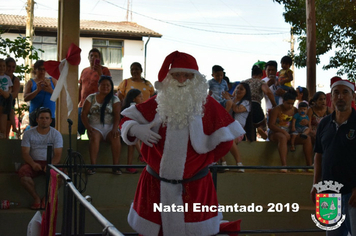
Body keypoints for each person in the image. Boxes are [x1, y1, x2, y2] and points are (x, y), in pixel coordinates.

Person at [120, 51, 244, 236]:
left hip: (195, 186)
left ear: (195, 79)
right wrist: (134, 129)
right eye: (176, 75)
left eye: (187, 75)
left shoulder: (208, 105)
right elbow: (125, 120)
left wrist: (203, 161)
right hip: (155, 185)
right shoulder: (157, 102)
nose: (181, 79)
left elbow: (226, 141)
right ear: (169, 77)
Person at [310, 79, 356, 236]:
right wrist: (316, 184)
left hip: (353, 193)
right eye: (336, 93)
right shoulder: (324, 124)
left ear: (353, 96)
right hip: (328, 194)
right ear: (332, 97)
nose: (340, 96)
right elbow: (319, 155)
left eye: (345, 92)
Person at [18, 107, 63, 210]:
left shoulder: (56, 134)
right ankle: (36, 199)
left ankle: (46, 199)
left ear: (51, 120)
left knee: (60, 176)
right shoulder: (28, 133)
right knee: (23, 174)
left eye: (47, 118)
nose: (44, 120)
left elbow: (58, 155)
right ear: (37, 119)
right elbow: (25, 153)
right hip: (33, 162)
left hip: (51, 162)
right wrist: (33, 164)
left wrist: (50, 165)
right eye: (42, 118)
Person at [81, 76, 121, 175]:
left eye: (108, 85)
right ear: (98, 86)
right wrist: (88, 127)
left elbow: (117, 116)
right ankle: (93, 166)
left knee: (116, 137)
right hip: (94, 127)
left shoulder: (115, 99)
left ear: (111, 87)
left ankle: (116, 167)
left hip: (110, 127)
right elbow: (83, 114)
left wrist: (115, 129)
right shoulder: (91, 98)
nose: (105, 87)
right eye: (103, 85)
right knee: (94, 137)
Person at [268, 91, 312, 172]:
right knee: (282, 137)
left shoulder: (295, 110)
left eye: (292, 103)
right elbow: (271, 125)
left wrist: (304, 123)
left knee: (307, 138)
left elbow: (301, 122)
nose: (290, 106)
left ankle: (309, 166)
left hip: (291, 134)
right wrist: (283, 132)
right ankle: (284, 165)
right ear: (283, 101)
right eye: (288, 103)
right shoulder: (276, 110)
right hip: (276, 133)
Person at [78, 48, 111, 136]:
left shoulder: (105, 70)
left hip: (96, 104)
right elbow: (81, 87)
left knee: (94, 130)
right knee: (79, 126)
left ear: (99, 58)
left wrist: (100, 73)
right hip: (83, 104)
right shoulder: (84, 71)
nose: (93, 58)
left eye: (96, 56)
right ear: (88, 58)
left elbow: (107, 85)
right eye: (91, 56)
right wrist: (77, 101)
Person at [222, 82, 254, 172]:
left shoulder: (247, 102)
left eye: (241, 89)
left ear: (246, 92)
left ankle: (239, 163)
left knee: (230, 138)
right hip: (227, 127)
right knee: (218, 137)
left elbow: (237, 109)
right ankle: (223, 163)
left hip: (237, 130)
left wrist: (229, 100)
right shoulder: (230, 100)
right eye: (237, 88)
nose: (238, 90)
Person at [243, 65, 276, 140]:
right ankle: (261, 128)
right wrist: (274, 104)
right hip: (255, 104)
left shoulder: (244, 82)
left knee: (248, 127)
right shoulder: (260, 82)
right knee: (262, 123)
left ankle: (248, 140)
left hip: (243, 106)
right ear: (261, 75)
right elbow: (268, 92)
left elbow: (235, 94)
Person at [24, 60, 57, 127]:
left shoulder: (52, 80)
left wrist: (50, 90)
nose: (42, 71)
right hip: (35, 115)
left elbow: (60, 96)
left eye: (44, 69)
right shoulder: (31, 82)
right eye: (39, 69)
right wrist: (37, 91)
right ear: (35, 70)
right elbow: (25, 98)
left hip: (50, 115)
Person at [121, 88, 144, 173]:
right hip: (125, 131)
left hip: (132, 133)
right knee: (133, 134)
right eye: (140, 97)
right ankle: (141, 154)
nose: (142, 99)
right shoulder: (132, 108)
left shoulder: (139, 107)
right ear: (134, 99)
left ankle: (129, 165)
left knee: (131, 142)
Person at [5, 57, 20, 138]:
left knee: (5, 133)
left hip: (8, 105)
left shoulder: (15, 79)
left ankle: (14, 127)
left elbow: (14, 94)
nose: (11, 69)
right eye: (9, 66)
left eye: (13, 67)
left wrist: (4, 94)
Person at [0, 58, 13, 139]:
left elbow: (10, 87)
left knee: (5, 114)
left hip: (6, 97)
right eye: (0, 66)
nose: (2, 68)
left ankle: (3, 133)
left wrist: (7, 93)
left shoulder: (7, 77)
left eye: (3, 66)